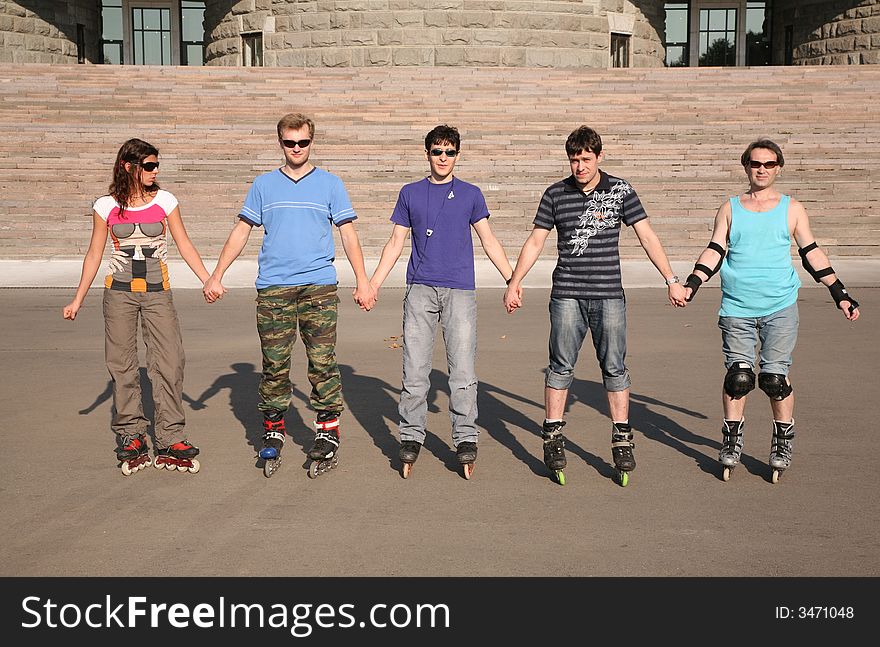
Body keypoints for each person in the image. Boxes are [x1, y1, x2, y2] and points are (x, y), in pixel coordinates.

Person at [503, 125, 687, 486]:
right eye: (574, 160)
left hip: (608, 294)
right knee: (560, 366)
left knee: (615, 367)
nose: (580, 167)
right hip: (568, 294)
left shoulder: (620, 190)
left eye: (586, 159)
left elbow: (646, 235)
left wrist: (671, 279)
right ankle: (553, 435)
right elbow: (536, 240)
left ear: (599, 157)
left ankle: (621, 437)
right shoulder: (555, 194)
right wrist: (515, 281)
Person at [202, 113, 374, 479]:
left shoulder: (330, 184)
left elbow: (349, 234)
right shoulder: (264, 185)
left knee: (323, 362)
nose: (296, 149)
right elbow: (241, 231)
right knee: (275, 365)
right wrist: (217, 274)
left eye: (303, 142)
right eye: (289, 142)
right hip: (274, 288)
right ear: (279, 142)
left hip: (318, 287)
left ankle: (327, 431)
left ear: (313, 142)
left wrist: (363, 281)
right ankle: (274, 427)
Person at [683, 139, 860, 483]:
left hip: (780, 305)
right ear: (746, 166)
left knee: (774, 380)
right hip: (737, 306)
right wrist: (692, 283)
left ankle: (782, 441)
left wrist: (840, 293)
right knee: (739, 377)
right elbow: (715, 250)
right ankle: (732, 440)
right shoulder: (730, 208)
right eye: (754, 163)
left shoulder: (792, 208)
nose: (761, 169)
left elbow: (811, 253)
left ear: (778, 167)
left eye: (768, 164)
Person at [369, 124, 513, 479]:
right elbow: (394, 243)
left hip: (460, 290)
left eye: (449, 152)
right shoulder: (410, 193)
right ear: (427, 154)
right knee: (415, 369)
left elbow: (489, 240)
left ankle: (465, 438)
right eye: (437, 151)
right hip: (420, 289)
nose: (443, 158)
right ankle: (411, 436)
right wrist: (372, 283)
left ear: (458, 155)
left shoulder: (471, 194)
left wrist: (513, 279)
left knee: (462, 371)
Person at [63, 138, 211, 476]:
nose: (155, 171)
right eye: (149, 165)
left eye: (157, 165)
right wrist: (78, 298)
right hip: (119, 293)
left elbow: (184, 242)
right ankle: (131, 435)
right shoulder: (105, 206)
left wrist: (207, 279)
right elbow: (94, 253)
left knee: (170, 361)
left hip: (158, 292)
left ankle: (171, 436)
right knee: (122, 364)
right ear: (129, 166)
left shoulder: (166, 200)